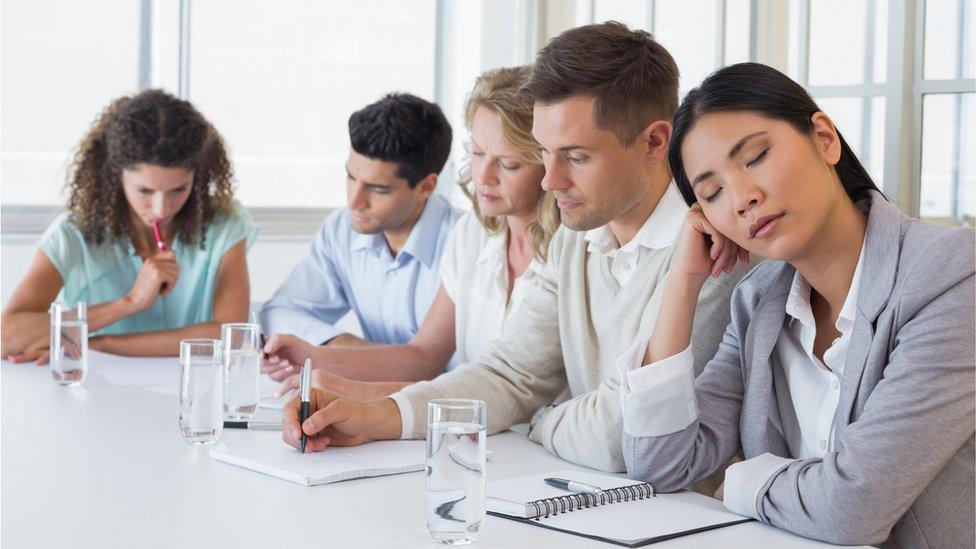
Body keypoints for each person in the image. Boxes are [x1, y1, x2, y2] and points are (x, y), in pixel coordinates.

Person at [279, 22, 749, 473]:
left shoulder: (712, 248)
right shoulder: (575, 239)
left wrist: (542, 422)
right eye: (544, 152)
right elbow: (510, 375)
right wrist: (375, 418)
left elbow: (624, 434)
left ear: (654, 142)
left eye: (577, 157)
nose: (550, 179)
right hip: (592, 500)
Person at [617, 63, 975, 547]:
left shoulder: (952, 276)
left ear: (824, 139)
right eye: (713, 193)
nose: (743, 198)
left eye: (757, 156)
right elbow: (662, 464)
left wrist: (746, 482)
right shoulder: (757, 304)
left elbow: (853, 509)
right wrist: (683, 281)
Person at [264, 66, 560, 398]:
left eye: (509, 165)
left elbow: (484, 382)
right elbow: (424, 356)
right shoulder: (474, 235)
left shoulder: (567, 251)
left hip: (516, 431)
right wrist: (319, 356)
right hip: (471, 427)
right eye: (477, 154)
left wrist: (352, 385)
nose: (483, 178)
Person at [1, 89, 258, 362]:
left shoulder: (225, 225)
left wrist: (97, 343)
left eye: (178, 189)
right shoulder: (73, 234)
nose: (161, 208)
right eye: (145, 190)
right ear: (116, 177)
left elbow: (230, 334)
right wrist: (129, 303)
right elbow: (8, 335)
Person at [258, 93, 460, 352]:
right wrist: (345, 346)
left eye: (378, 189)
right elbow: (278, 313)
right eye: (351, 177)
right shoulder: (342, 229)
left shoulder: (464, 242)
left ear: (426, 186)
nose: (354, 202)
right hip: (366, 390)